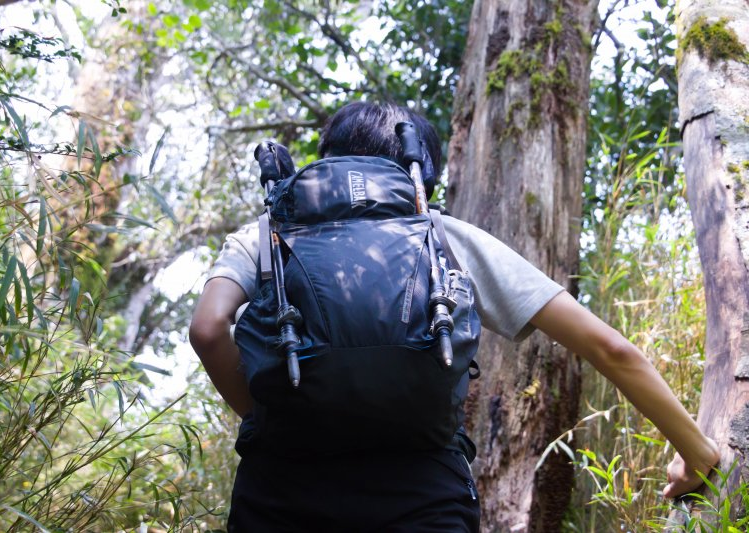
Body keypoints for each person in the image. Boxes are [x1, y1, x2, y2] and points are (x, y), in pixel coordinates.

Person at [189, 102, 720, 532]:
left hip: (281, 493)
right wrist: (696, 453)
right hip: (422, 497)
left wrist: (276, 417)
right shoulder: (443, 238)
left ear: (326, 160)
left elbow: (209, 330)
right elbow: (611, 349)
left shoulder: (267, 235)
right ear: (420, 174)